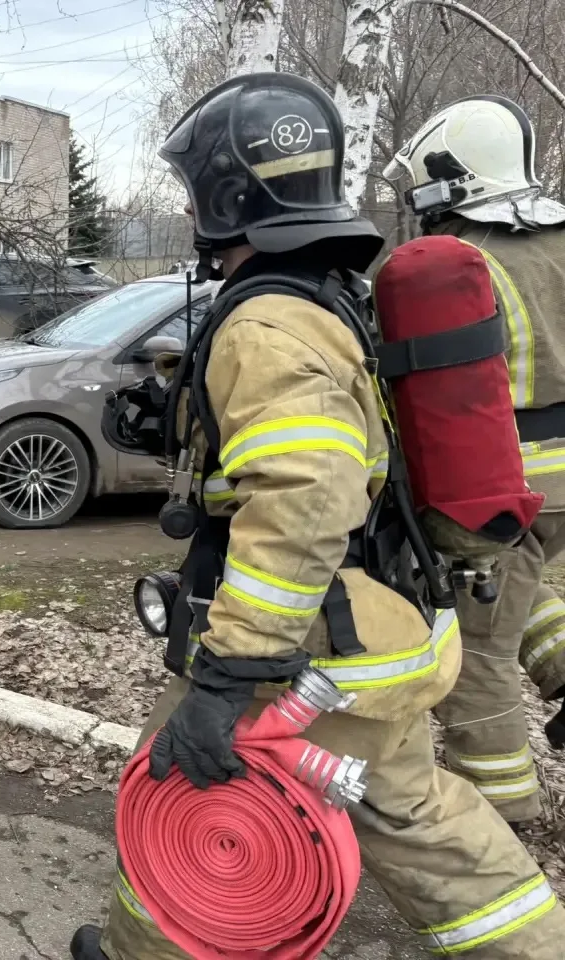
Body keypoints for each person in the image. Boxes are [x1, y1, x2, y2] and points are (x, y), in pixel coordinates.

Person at [70, 72, 565, 960]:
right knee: (421, 821)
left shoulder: (265, 322)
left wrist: (230, 676)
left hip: (297, 651)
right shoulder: (326, 293)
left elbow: (306, 493)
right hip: (364, 623)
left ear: (226, 194)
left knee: (180, 792)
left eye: (194, 193)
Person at [384, 95, 565, 825]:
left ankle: (501, 820)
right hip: (558, 492)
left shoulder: (462, 264)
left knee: (476, 659)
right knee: (518, 594)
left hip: (504, 485)